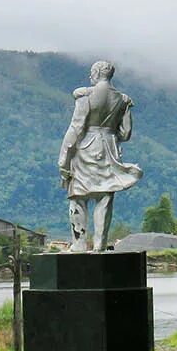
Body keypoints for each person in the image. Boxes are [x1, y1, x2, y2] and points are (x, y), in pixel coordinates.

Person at [58, 60, 142, 251]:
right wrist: (111, 134)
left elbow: (76, 128)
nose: (90, 76)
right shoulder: (123, 100)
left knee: (78, 195)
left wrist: (63, 158)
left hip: (86, 146)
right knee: (105, 196)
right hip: (109, 148)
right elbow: (126, 133)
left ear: (96, 73)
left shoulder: (86, 95)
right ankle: (100, 244)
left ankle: (79, 243)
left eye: (91, 73)